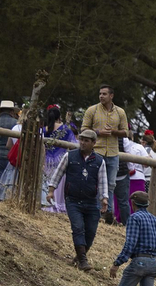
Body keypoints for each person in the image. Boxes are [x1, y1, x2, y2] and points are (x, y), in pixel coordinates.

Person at [81, 85, 129, 224]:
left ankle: (107, 215)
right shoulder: (92, 110)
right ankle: (93, 213)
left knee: (111, 185)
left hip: (113, 153)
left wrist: (113, 131)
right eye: (100, 93)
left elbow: (126, 132)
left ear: (111, 96)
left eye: (104, 94)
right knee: (93, 182)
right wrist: (98, 132)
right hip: (96, 151)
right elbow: (83, 129)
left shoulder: (120, 112)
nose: (101, 96)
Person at [62, 128, 105, 269]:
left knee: (91, 232)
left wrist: (104, 199)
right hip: (73, 199)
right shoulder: (70, 156)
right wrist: (51, 189)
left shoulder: (99, 161)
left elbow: (103, 181)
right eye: (81, 140)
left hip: (92, 202)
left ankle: (80, 257)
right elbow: (58, 173)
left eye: (86, 141)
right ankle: (83, 261)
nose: (82, 143)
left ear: (94, 143)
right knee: (78, 228)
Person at [41, 105, 76, 214]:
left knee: (46, 182)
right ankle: (57, 206)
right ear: (59, 116)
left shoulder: (43, 129)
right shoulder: (66, 129)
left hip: (46, 160)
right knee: (58, 183)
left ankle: (46, 205)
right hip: (61, 160)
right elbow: (74, 145)